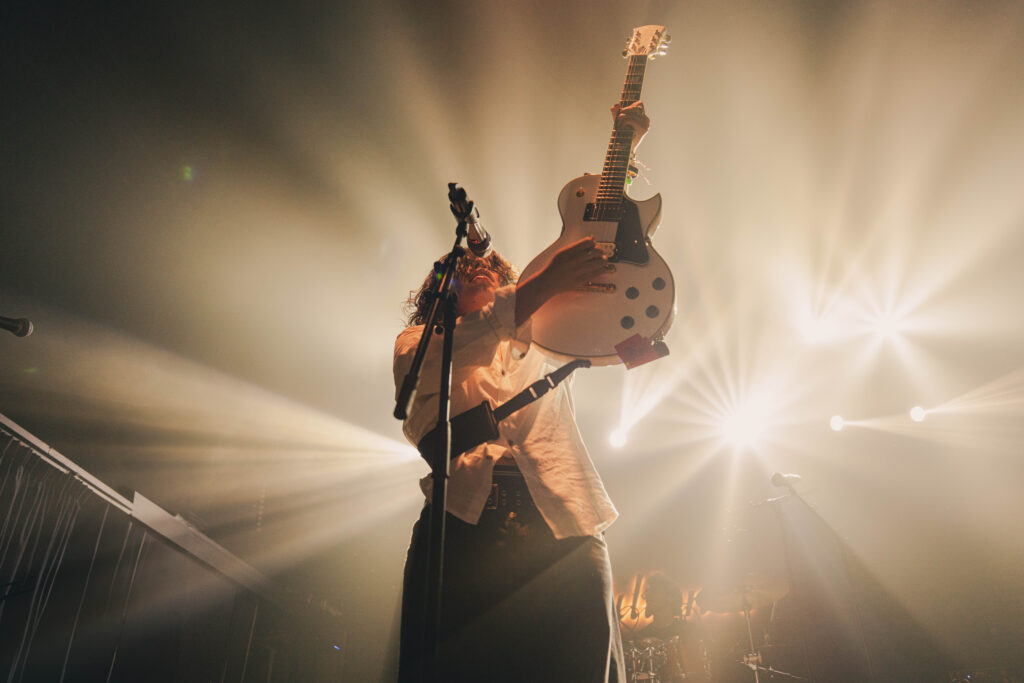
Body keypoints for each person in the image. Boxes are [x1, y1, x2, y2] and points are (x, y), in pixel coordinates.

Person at [393, 102, 650, 682]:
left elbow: (604, 244)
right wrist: (538, 287)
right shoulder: (420, 342)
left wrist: (626, 149)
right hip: (462, 530)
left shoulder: (545, 327)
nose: (474, 265)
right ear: (437, 290)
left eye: (483, 265)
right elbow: (439, 368)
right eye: (458, 268)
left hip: (562, 523)